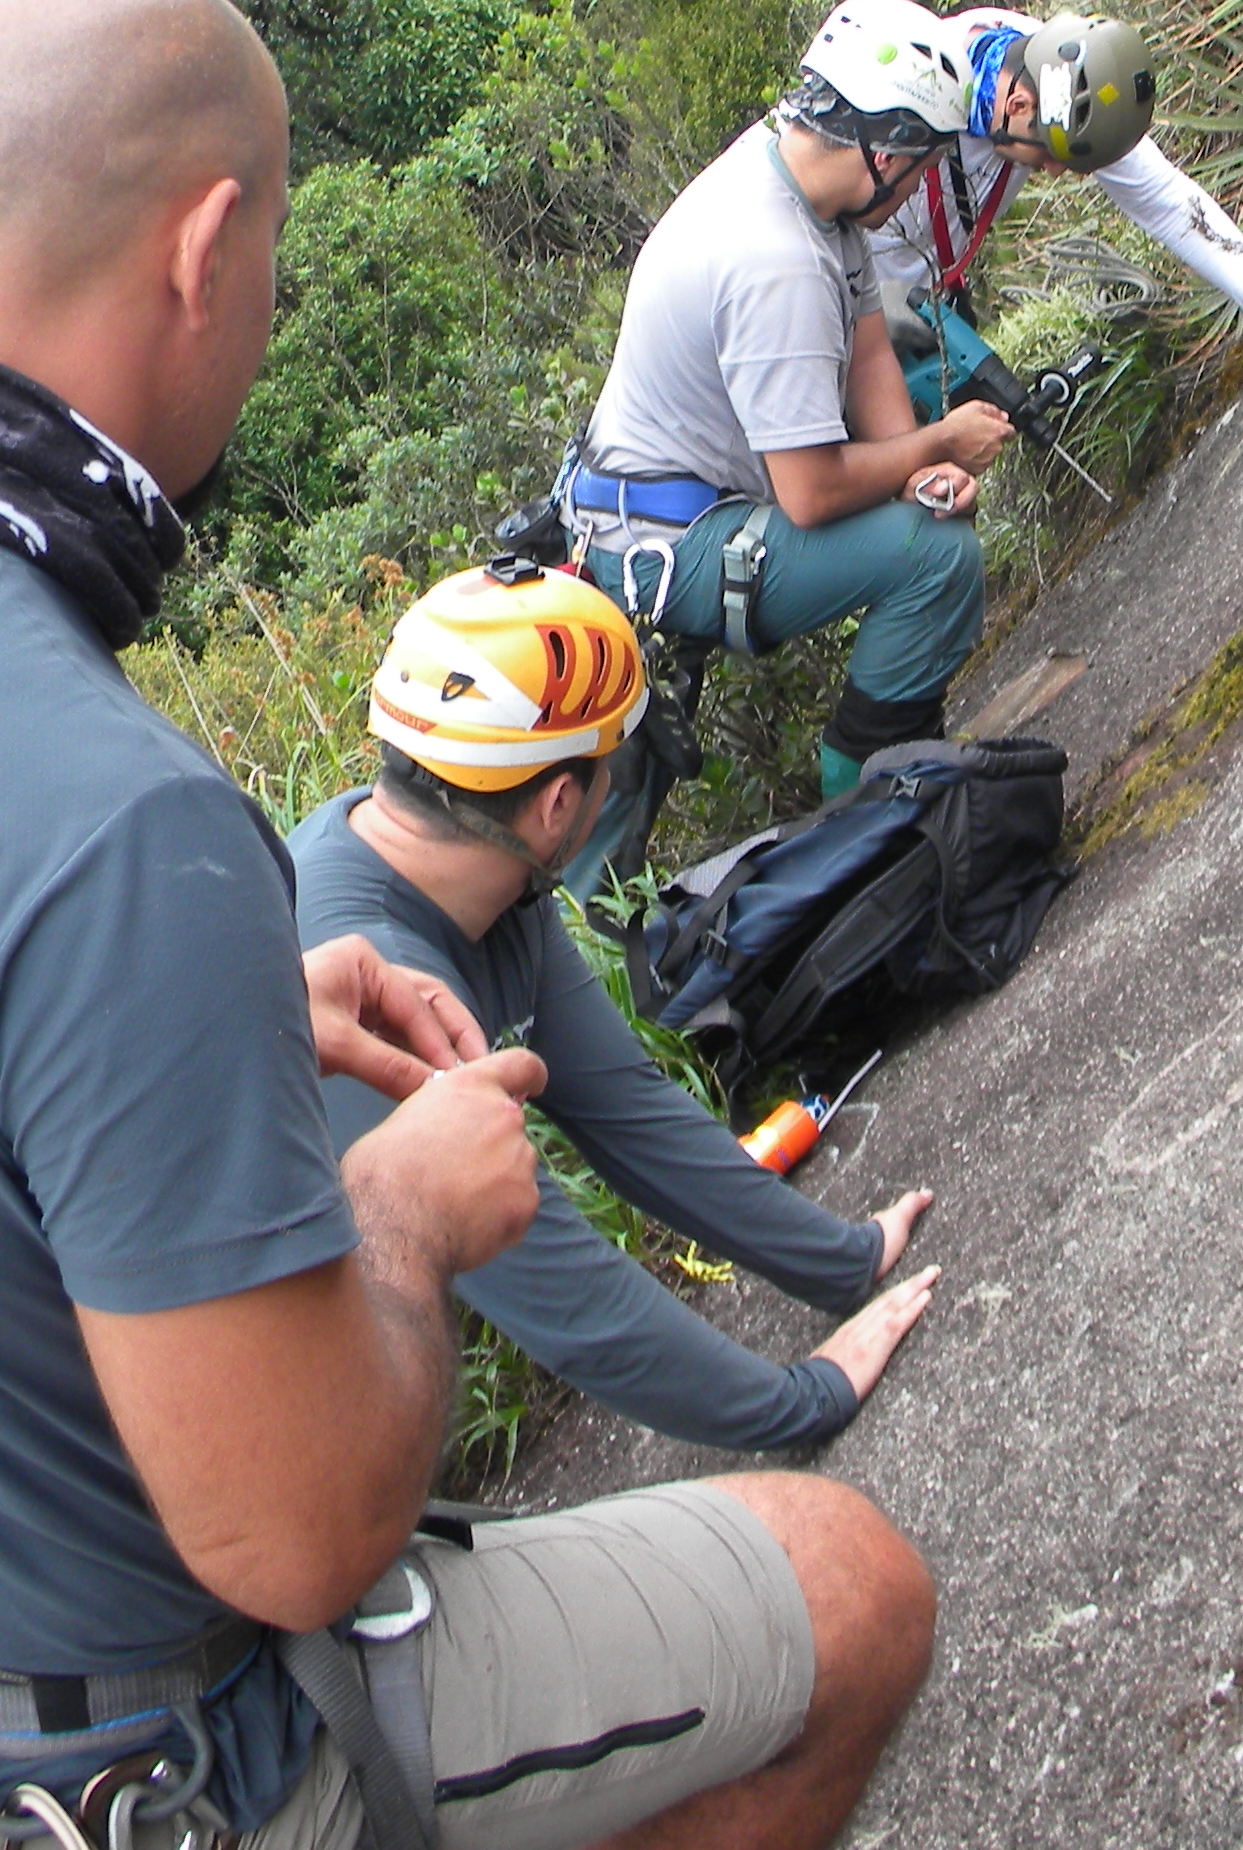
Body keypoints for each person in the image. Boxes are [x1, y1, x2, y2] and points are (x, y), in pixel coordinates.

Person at [0, 0, 935, 1850]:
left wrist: (196, 1039)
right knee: (851, 1589)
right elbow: (296, 1537)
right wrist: (410, 1207)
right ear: (205, 253)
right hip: (125, 1759)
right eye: (270, 258)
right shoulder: (124, 818)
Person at [294, 560, 939, 1450]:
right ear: (559, 804)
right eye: (611, 762)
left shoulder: (482, 870)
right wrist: (806, 1400)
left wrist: (845, 1260)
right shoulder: (368, 994)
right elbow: (563, 1293)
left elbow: (628, 1111)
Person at [565, 0, 1013, 826]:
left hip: (652, 503)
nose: (916, 188)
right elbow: (810, 494)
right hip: (665, 541)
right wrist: (941, 443)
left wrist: (918, 468)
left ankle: (891, 780)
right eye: (921, 164)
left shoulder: (796, 175)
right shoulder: (776, 260)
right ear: (887, 150)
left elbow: (870, 350)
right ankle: (865, 802)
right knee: (937, 556)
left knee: (929, 514)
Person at [868, 9, 1243, 428]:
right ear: (1017, 105)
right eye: (1049, 154)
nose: (1055, 171)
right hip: (853, 307)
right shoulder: (901, 97)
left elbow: (1168, 202)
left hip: (932, 306)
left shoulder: (1063, 77)